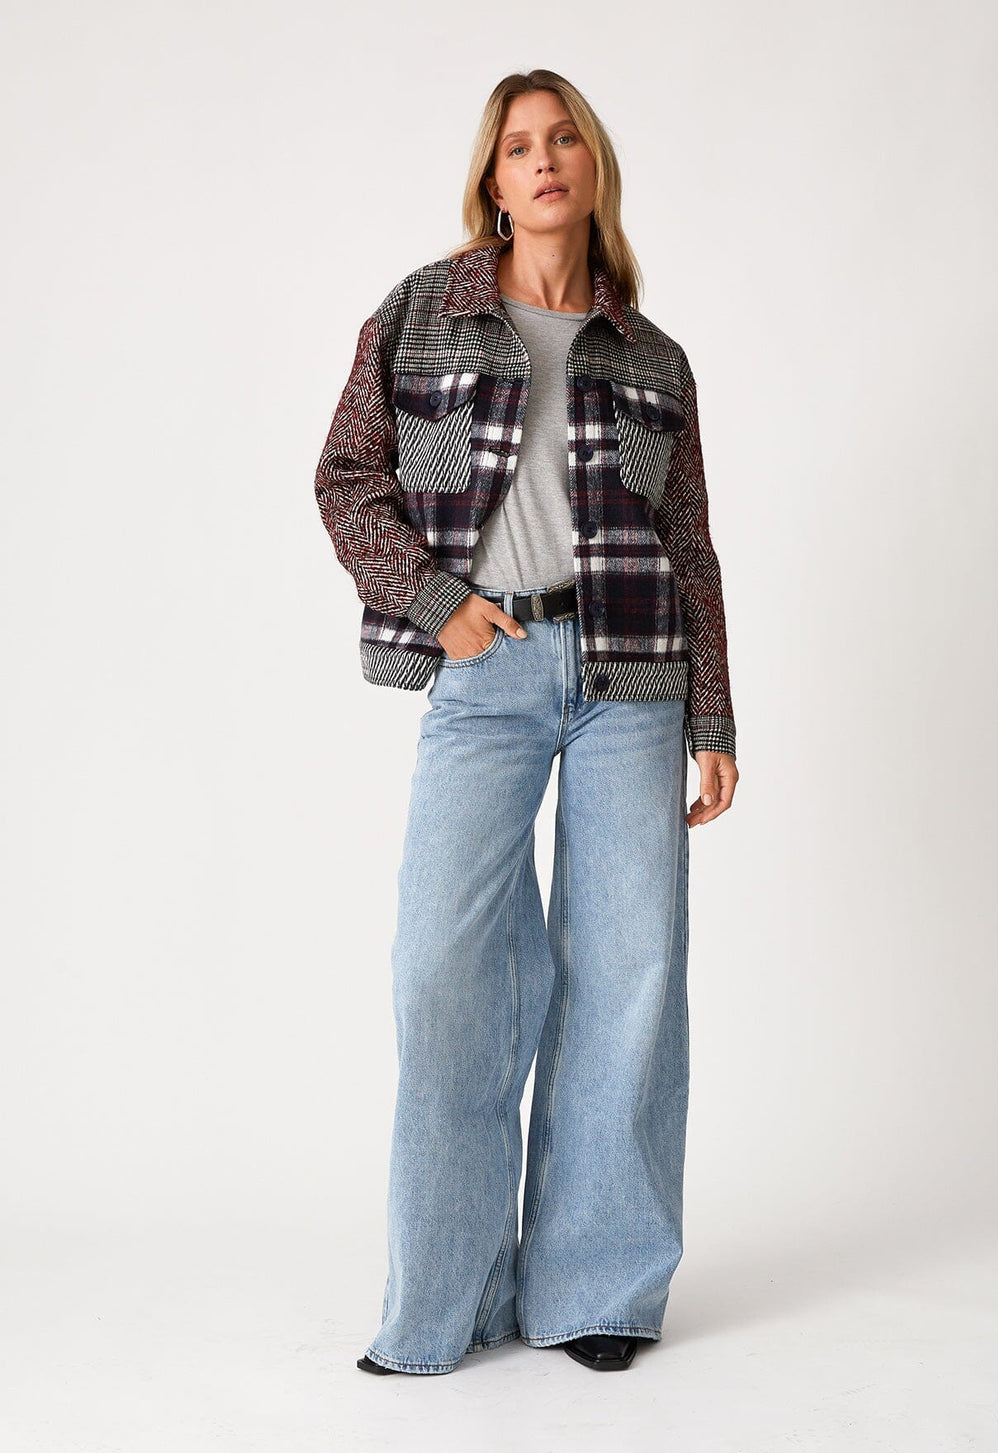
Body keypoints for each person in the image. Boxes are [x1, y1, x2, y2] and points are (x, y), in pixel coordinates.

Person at [313, 69, 739, 1377]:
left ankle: (596, 1288)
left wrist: (714, 714)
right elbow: (346, 477)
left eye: (563, 140)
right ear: (492, 181)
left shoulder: (653, 359)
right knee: (442, 970)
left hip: (632, 676)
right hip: (486, 668)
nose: (544, 160)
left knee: (628, 973)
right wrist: (434, 599)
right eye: (518, 146)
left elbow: (688, 544)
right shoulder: (421, 313)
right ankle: (444, 1301)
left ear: (592, 168)